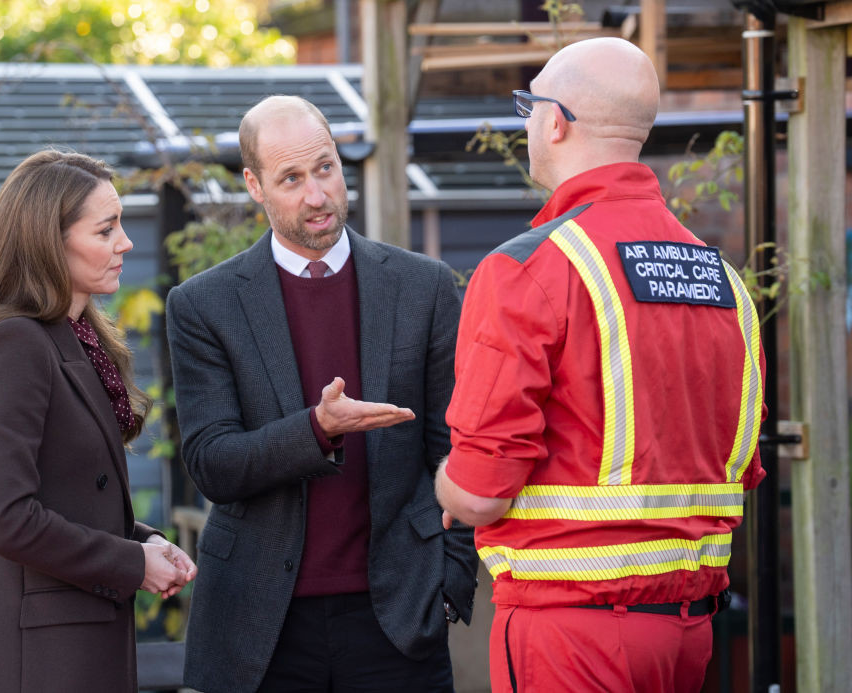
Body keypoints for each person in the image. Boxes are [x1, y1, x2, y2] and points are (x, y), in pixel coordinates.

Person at [435, 37, 767, 692]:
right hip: (689, 632)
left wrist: (447, 485)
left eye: (529, 106)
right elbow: (739, 466)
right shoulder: (724, 281)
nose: (528, 122)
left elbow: (479, 493)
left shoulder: (528, 268)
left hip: (571, 631)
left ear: (555, 122)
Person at [166, 95, 478, 693]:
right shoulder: (204, 305)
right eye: (291, 178)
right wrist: (317, 429)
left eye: (325, 168)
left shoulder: (424, 287)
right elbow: (213, 464)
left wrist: (450, 583)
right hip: (260, 628)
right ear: (254, 185)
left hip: (399, 617)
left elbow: (459, 448)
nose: (317, 195)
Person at [0, 149, 197, 693]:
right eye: (106, 230)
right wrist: (131, 563)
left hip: (79, 635)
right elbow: (6, 518)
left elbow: (73, 497)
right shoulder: (16, 343)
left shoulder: (76, 337)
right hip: (44, 655)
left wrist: (145, 543)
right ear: (49, 243)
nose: (126, 243)